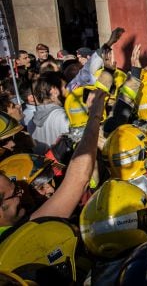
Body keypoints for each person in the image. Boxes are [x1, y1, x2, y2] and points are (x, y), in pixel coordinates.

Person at [0, 88, 107, 234]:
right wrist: (95, 115)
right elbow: (78, 180)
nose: (14, 144)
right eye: (16, 191)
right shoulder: (21, 235)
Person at [28, 71, 70, 154]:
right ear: (53, 91)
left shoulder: (31, 121)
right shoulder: (63, 117)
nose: (68, 90)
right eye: (65, 86)